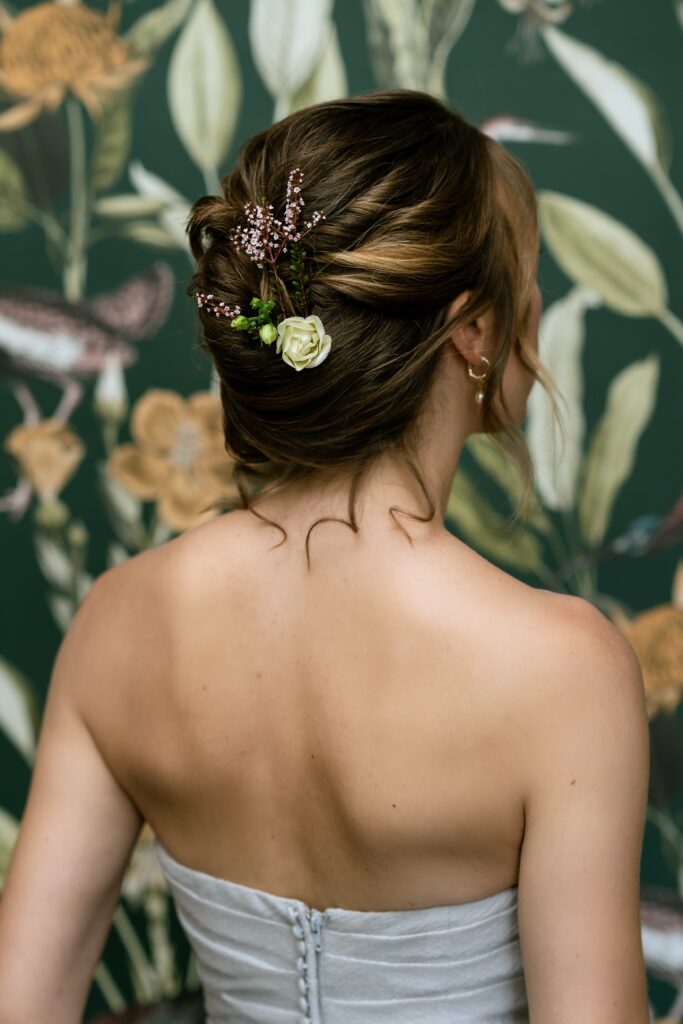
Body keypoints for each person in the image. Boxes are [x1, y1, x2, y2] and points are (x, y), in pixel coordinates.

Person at [0, 89, 650, 1024]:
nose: (537, 304)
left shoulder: (118, 618)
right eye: (528, 272)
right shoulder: (561, 669)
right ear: (470, 327)